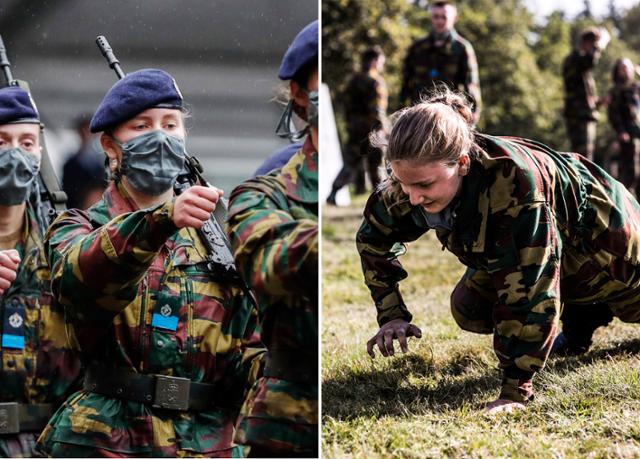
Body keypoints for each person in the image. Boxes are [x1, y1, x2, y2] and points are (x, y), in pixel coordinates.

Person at [357, 88, 640, 414]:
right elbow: (372, 241)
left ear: (462, 164)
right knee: (469, 307)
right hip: (553, 241)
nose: (414, 197)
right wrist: (391, 315)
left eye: (424, 186)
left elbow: (530, 291)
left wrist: (514, 391)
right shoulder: (408, 180)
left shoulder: (515, 185)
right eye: (405, 183)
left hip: (605, 244)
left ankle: (588, 308)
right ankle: (584, 313)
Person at [36, 69, 263, 457]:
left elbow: (248, 341)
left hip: (205, 441)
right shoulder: (78, 227)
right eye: (142, 126)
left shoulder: (216, 238)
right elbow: (82, 284)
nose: (160, 136)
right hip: (105, 439)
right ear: (110, 146)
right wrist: (160, 220)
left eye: (170, 124)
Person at [227, 20, 318, 458]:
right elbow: (270, 264)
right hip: (289, 421)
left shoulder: (394, 178)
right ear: (300, 94)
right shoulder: (263, 191)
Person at [0, 86, 82, 457]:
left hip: (46, 444)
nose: (15, 153)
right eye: (2, 141)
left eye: (27, 142)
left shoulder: (64, 247)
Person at [400, 0, 481, 123]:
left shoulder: (462, 48)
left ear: (454, 18)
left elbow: (471, 84)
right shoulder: (417, 48)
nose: (439, 21)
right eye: (436, 17)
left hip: (450, 116)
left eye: (444, 17)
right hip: (419, 114)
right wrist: (401, 111)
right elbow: (406, 83)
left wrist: (473, 113)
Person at [327, 46, 387, 204]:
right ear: (374, 61)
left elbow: (345, 106)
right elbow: (377, 110)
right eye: (380, 61)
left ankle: (333, 192)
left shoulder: (353, 80)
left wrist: (349, 125)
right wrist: (382, 129)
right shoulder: (375, 82)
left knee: (350, 164)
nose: (381, 65)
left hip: (354, 130)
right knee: (376, 165)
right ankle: (380, 200)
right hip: (371, 131)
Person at [562, 26, 610, 161]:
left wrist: (599, 101)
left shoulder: (580, 64)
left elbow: (582, 95)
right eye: (594, 45)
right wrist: (601, 42)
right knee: (583, 160)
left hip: (583, 115)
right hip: (579, 116)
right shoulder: (574, 59)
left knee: (583, 159)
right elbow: (590, 61)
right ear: (587, 43)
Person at [606, 58, 640, 195]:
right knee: (629, 170)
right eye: (622, 67)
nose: (625, 69)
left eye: (628, 67)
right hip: (627, 135)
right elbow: (613, 113)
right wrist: (621, 131)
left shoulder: (635, 88)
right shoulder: (616, 90)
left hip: (637, 133)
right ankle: (627, 200)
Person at [61, 113, 106, 209]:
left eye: (90, 132)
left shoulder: (100, 161)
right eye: (84, 131)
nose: (87, 135)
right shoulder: (71, 164)